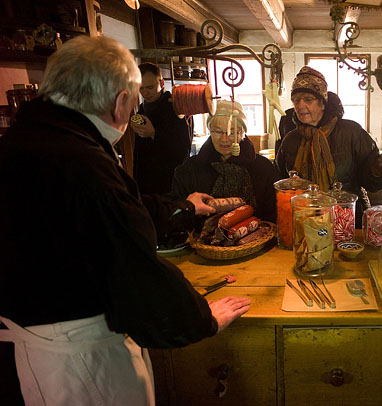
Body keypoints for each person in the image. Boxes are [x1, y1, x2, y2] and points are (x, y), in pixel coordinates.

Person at [0, 36, 250, 406]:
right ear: (120, 101)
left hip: (44, 340)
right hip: (81, 357)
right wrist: (201, 317)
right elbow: (137, 269)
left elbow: (113, 210)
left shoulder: (31, 139)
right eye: (134, 99)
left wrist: (182, 208)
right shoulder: (81, 163)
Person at [275, 66, 382, 226]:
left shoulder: (351, 132)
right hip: (305, 222)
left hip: (346, 220)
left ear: (322, 103)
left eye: (308, 99)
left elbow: (371, 185)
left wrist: (377, 171)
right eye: (296, 100)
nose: (300, 105)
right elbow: (282, 182)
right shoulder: (290, 140)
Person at [171, 100, 280, 223]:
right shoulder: (189, 170)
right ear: (210, 130)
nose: (224, 139)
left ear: (243, 132)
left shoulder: (263, 169)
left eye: (232, 132)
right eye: (217, 131)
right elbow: (177, 213)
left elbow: (273, 214)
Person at [131, 62, 191, 194]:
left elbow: (184, 147)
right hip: (146, 183)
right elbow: (138, 153)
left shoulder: (176, 107)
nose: (145, 92)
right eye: (141, 88)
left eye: (150, 87)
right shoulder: (142, 109)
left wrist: (154, 134)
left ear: (162, 83)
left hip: (170, 182)